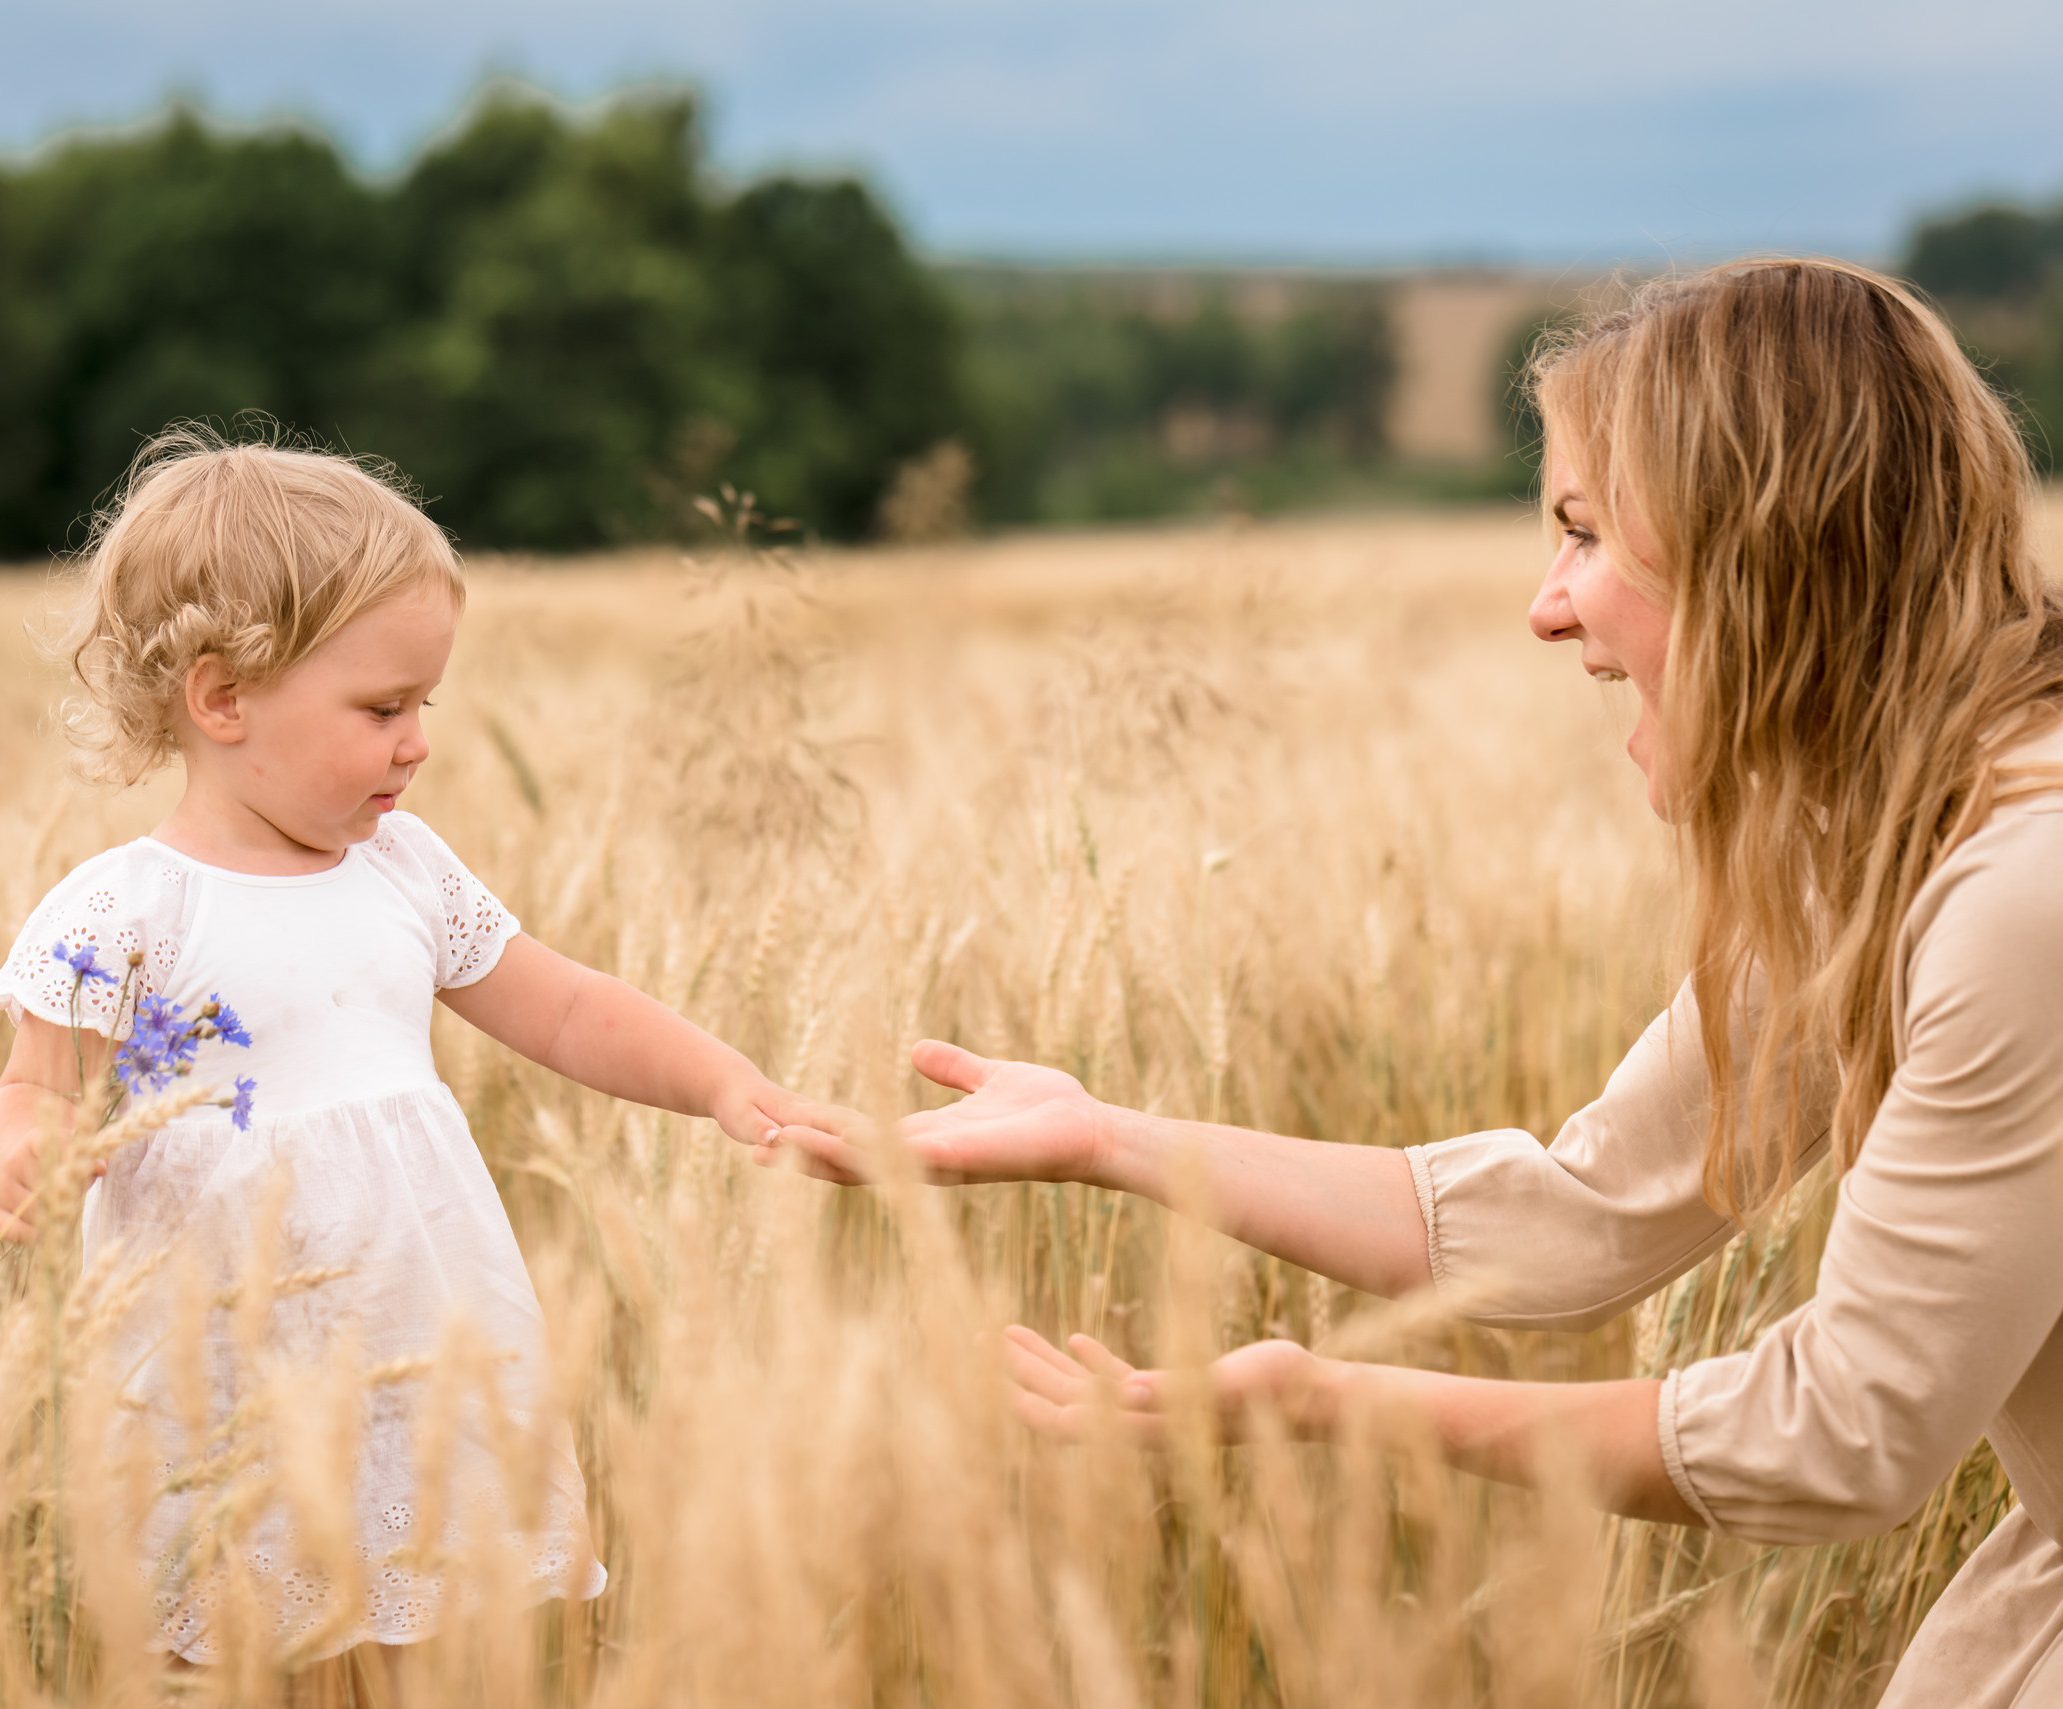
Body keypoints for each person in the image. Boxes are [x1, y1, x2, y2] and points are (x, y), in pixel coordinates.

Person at [770, 259, 2063, 1705]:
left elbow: (1847, 1436)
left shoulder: (2024, 895)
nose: (1546, 607)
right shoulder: (1881, 858)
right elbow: (1580, 1216)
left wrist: (1334, 1398)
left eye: (1582, 536)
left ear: (1761, 546)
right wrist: (1106, 1138)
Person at [0, 433, 840, 1684]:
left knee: (431, 1628)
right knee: (247, 1636)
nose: (417, 740)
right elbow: (32, 1084)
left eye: (423, 704)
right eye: (382, 708)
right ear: (221, 698)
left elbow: (566, 1006)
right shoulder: (122, 910)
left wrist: (720, 1081)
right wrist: (31, 1150)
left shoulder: (405, 869)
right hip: (232, 1356)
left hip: (421, 1333)